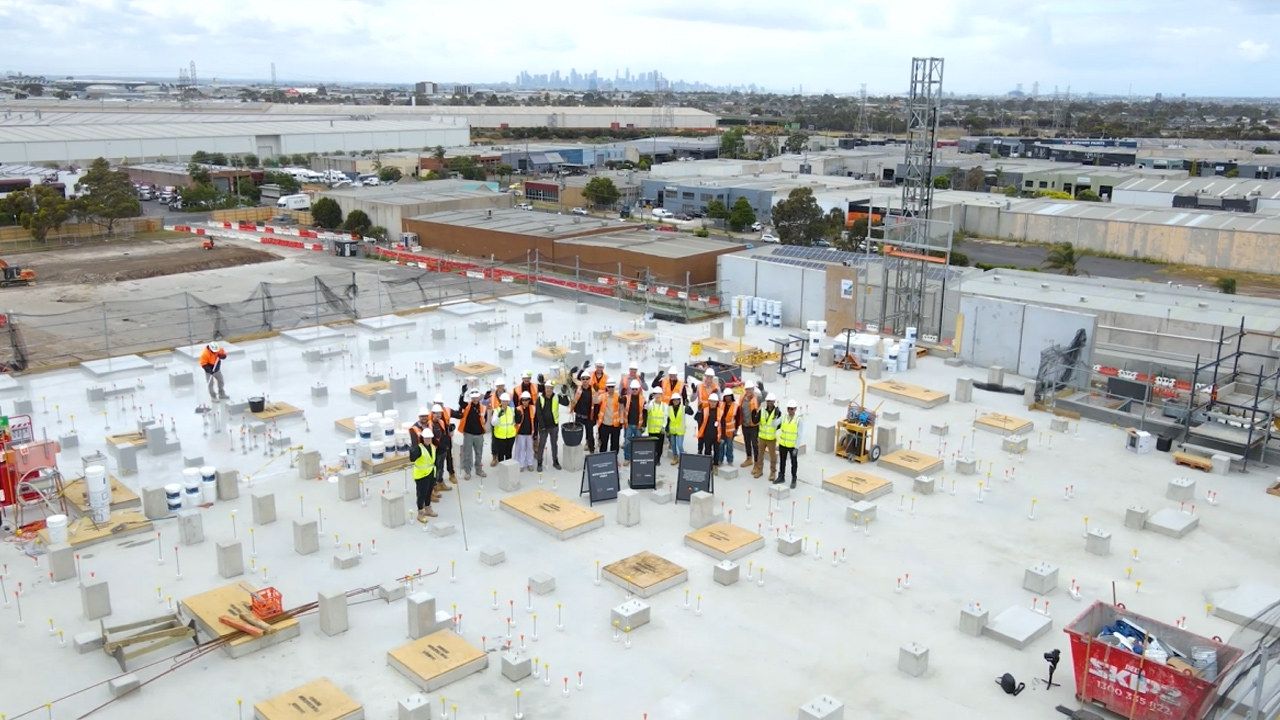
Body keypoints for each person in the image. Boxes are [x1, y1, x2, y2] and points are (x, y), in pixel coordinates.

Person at [535, 380, 567, 471]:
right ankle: (539, 462)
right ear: (544, 389)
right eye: (547, 388)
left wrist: (564, 394)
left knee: (554, 444)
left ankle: (555, 461)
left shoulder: (556, 397)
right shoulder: (540, 399)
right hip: (543, 427)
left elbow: (566, 403)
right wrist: (542, 426)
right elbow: (539, 414)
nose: (549, 390)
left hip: (554, 426)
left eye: (550, 388)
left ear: (553, 389)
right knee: (541, 445)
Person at [456, 389, 488, 480]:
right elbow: (461, 402)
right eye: (473, 398)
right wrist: (462, 393)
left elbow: (484, 419)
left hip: (479, 434)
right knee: (467, 454)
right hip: (468, 434)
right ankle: (467, 471)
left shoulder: (482, 407)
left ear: (479, 397)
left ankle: (479, 470)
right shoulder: (467, 406)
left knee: (479, 453)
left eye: (476, 397)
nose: (475, 399)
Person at [409, 426, 438, 520]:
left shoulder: (432, 447)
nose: (428, 440)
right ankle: (420, 511)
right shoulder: (419, 448)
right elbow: (412, 459)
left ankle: (428, 507)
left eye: (429, 438)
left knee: (429, 492)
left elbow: (434, 461)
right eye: (426, 438)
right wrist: (412, 451)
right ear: (422, 438)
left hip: (430, 474)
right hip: (421, 475)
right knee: (422, 494)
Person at [755, 393, 781, 480]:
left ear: (774, 402)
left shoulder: (777, 412)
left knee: (772, 457)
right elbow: (756, 420)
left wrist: (776, 417)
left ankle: (773, 472)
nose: (769, 403)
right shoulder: (762, 411)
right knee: (760, 455)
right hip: (762, 437)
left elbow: (779, 425)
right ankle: (759, 470)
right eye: (768, 401)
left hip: (771, 438)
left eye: (771, 401)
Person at [776, 399, 802, 488]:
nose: (790, 411)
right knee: (782, 461)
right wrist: (776, 415)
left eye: (792, 409)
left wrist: (796, 447)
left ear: (795, 409)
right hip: (783, 444)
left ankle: (794, 479)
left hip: (792, 446)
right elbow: (775, 424)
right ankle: (781, 476)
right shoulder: (783, 417)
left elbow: (799, 435)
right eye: (789, 409)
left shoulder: (798, 420)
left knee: (794, 463)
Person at [430, 404, 456, 491]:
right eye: (436, 413)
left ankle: (440, 483)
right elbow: (432, 439)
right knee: (436, 468)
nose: (438, 415)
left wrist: (451, 429)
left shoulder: (441, 422)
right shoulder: (430, 424)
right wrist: (442, 446)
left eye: (439, 414)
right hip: (435, 450)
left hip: (442, 449)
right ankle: (435, 485)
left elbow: (444, 434)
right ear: (432, 414)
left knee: (440, 467)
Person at [621, 379, 646, 466]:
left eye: (636, 389)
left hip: (638, 425)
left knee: (638, 443)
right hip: (628, 424)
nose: (634, 390)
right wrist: (621, 394)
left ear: (639, 389)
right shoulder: (626, 398)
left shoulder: (643, 400)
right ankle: (627, 458)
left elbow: (645, 413)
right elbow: (620, 400)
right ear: (630, 389)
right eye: (633, 389)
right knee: (627, 442)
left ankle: (636, 458)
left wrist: (644, 425)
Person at [571, 370, 597, 453]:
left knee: (590, 435)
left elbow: (596, 405)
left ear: (589, 380)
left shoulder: (593, 391)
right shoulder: (577, 390)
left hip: (589, 417)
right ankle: (575, 450)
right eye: (583, 379)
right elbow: (571, 383)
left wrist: (594, 418)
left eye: (587, 379)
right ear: (581, 380)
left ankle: (592, 450)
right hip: (579, 417)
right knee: (576, 435)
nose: (585, 380)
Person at [695, 393, 722, 468]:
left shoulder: (720, 411)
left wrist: (722, 436)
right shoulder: (705, 410)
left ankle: (715, 465)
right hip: (707, 435)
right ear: (709, 402)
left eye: (714, 402)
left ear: (717, 402)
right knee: (707, 451)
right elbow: (697, 418)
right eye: (711, 401)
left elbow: (723, 424)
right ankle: (707, 466)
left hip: (716, 436)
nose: (713, 403)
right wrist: (699, 411)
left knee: (716, 451)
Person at [595, 379, 622, 454]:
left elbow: (622, 409)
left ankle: (614, 459)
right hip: (604, 424)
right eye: (609, 387)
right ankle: (603, 459)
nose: (611, 388)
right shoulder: (603, 396)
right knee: (603, 443)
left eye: (612, 387)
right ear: (606, 387)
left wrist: (621, 421)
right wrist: (596, 392)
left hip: (615, 425)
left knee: (615, 443)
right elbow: (595, 401)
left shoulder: (618, 397)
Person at [739, 385, 761, 470]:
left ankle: (756, 462)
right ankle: (749, 458)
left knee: (755, 445)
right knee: (747, 443)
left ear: (753, 390)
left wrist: (762, 390)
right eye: (747, 389)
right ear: (745, 390)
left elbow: (765, 397)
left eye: (751, 389)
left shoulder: (757, 398)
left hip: (754, 426)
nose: (749, 391)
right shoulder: (742, 399)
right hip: (745, 425)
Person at [666, 393, 692, 465]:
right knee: (673, 444)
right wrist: (667, 429)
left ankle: (682, 458)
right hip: (672, 430)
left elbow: (691, 412)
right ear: (672, 401)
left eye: (677, 400)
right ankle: (675, 457)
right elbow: (668, 419)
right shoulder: (669, 408)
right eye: (674, 400)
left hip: (680, 430)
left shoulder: (683, 408)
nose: (676, 401)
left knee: (680, 445)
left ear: (680, 401)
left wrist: (687, 406)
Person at [514, 391, 536, 471]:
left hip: (530, 432)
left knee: (530, 448)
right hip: (520, 433)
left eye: (527, 400)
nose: (525, 401)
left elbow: (535, 421)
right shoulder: (517, 409)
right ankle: (521, 464)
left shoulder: (533, 408)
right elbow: (516, 421)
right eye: (523, 400)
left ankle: (530, 463)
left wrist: (535, 432)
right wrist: (518, 415)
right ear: (521, 400)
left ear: (529, 400)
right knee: (521, 448)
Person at [488, 378, 508, 467]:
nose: (500, 387)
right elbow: (484, 402)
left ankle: (504, 456)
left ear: (504, 386)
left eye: (501, 386)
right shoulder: (492, 396)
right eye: (498, 386)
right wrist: (484, 398)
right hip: (495, 419)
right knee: (494, 439)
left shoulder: (508, 395)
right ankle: (494, 457)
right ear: (496, 386)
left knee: (505, 440)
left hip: (506, 421)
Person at [492, 393, 516, 463]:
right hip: (500, 437)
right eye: (503, 401)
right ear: (500, 401)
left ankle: (508, 469)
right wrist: (498, 416)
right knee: (501, 454)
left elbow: (515, 421)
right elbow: (493, 423)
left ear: (508, 402)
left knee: (509, 453)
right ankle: (502, 469)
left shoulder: (512, 410)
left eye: (506, 401)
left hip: (510, 436)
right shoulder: (496, 411)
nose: (504, 403)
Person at [644, 388, 667, 460]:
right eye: (656, 394)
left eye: (659, 394)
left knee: (659, 446)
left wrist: (663, 427)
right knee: (652, 446)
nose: (658, 396)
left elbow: (665, 417)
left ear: (662, 395)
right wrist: (650, 400)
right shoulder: (651, 404)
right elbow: (646, 407)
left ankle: (658, 459)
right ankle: (652, 458)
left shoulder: (664, 406)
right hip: (652, 430)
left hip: (660, 430)